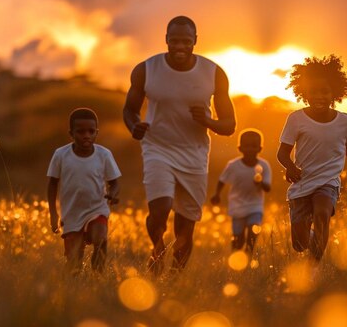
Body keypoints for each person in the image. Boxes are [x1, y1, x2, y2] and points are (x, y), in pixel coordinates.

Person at [123, 15, 236, 275]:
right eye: (174, 41)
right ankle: (157, 247)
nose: (180, 47)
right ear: (166, 40)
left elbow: (229, 125)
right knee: (160, 210)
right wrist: (134, 127)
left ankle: (175, 279)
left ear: (195, 41)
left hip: (194, 154)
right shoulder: (146, 69)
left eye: (186, 41)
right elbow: (129, 110)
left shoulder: (214, 73)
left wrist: (207, 121)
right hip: (157, 148)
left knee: (186, 226)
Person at [277, 55, 347, 262]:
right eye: (313, 91)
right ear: (305, 93)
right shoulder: (296, 119)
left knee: (322, 212)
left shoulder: (345, 121)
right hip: (302, 183)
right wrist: (291, 167)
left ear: (335, 94)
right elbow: (282, 153)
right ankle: (312, 240)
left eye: (325, 91)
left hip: (328, 182)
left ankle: (314, 268)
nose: (319, 96)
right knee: (299, 244)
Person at [47, 108, 121, 274]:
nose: (86, 135)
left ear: (97, 132)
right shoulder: (61, 155)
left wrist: (113, 194)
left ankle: (98, 278)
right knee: (74, 262)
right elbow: (52, 184)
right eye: (80, 132)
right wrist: (53, 213)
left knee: (100, 240)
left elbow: (114, 182)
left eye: (91, 131)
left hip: (97, 209)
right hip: (71, 213)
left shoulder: (104, 155)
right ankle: (74, 288)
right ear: (71, 133)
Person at [211, 129, 271, 255]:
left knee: (253, 231)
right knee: (238, 239)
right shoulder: (233, 165)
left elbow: (268, 188)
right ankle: (236, 260)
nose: (250, 149)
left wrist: (260, 183)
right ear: (240, 148)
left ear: (260, 148)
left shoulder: (264, 166)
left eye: (253, 146)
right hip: (237, 206)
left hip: (255, 206)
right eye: (247, 146)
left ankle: (249, 254)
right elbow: (222, 180)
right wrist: (217, 194)